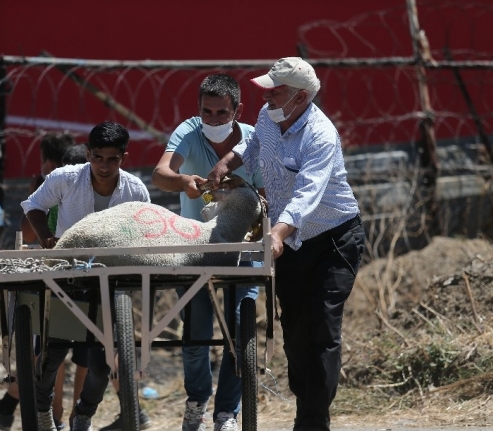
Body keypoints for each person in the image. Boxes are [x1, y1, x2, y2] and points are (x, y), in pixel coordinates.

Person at [206, 57, 366, 431]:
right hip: (293, 245)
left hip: (333, 240)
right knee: (293, 330)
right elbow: (256, 145)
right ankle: (306, 405)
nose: (267, 94)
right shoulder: (269, 115)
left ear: (301, 96)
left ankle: (313, 422)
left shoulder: (320, 135)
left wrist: (276, 234)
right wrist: (227, 162)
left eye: (276, 89)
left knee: (322, 328)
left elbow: (307, 195)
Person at [150, 73, 265, 431]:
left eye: (221, 113)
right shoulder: (189, 130)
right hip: (194, 245)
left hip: (243, 248)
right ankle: (197, 402)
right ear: (198, 110)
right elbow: (160, 173)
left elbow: (269, 193)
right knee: (196, 334)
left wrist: (243, 188)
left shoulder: (255, 140)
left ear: (238, 110)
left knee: (238, 331)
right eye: (207, 112)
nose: (213, 120)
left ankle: (226, 413)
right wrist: (183, 182)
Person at [22, 121, 151, 431]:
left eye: (112, 159)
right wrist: (46, 239)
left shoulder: (135, 190)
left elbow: (146, 229)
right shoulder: (65, 179)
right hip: (68, 278)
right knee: (52, 356)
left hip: (110, 283)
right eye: (97, 157)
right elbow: (34, 206)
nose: (104, 166)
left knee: (102, 364)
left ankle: (83, 416)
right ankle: (41, 414)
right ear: (88, 154)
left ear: (124, 157)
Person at [0, 133, 90, 431]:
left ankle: (54, 418)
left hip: (61, 280)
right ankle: (69, 419)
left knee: (52, 351)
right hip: (89, 279)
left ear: (51, 163)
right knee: (86, 354)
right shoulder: (96, 189)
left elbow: (30, 232)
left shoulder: (58, 190)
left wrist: (37, 195)